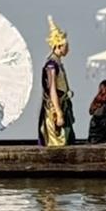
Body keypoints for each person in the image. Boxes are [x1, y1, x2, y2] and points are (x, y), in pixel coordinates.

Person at [37, 17, 76, 146]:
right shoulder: (51, 65)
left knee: (68, 137)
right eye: (66, 46)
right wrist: (58, 113)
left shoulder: (58, 63)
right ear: (58, 46)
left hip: (63, 103)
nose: (68, 49)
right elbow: (52, 88)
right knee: (59, 141)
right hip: (54, 107)